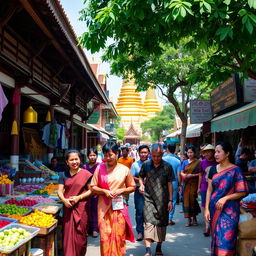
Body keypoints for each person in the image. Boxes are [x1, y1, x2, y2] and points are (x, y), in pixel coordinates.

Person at [91, 141, 136, 256]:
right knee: (105, 237)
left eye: (110, 155)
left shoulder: (124, 169)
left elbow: (132, 187)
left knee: (119, 236)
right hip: (103, 207)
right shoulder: (99, 168)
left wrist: (121, 190)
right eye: (105, 155)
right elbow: (92, 187)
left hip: (118, 207)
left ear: (117, 153)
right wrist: (104, 191)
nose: (107, 158)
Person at [205, 141, 248, 256]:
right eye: (215, 152)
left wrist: (226, 198)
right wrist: (206, 209)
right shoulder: (213, 170)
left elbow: (243, 191)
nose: (216, 155)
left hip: (229, 211)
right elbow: (209, 190)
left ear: (227, 153)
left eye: (219, 152)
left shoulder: (235, 170)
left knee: (227, 241)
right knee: (217, 238)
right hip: (214, 209)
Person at [139, 143, 175, 256]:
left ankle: (159, 247)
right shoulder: (146, 165)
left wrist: (170, 200)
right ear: (151, 154)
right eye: (154, 156)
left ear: (162, 154)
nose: (156, 158)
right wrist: (141, 185)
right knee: (148, 223)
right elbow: (141, 176)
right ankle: (148, 250)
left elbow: (170, 184)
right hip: (148, 199)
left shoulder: (167, 167)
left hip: (163, 200)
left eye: (158, 156)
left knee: (161, 224)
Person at [57, 150, 92, 256]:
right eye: (71, 160)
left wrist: (79, 197)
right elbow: (59, 191)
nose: (74, 162)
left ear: (80, 160)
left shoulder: (86, 174)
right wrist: (64, 200)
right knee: (68, 237)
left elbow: (91, 190)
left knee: (81, 239)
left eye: (76, 159)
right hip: (68, 208)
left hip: (81, 209)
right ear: (67, 162)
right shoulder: (63, 175)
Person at [130, 145, 150, 241]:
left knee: (150, 212)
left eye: (145, 152)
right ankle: (139, 232)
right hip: (139, 191)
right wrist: (141, 180)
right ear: (138, 153)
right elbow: (131, 177)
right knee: (139, 212)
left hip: (151, 191)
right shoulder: (135, 165)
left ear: (148, 153)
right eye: (141, 152)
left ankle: (148, 232)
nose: (143, 154)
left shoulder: (152, 164)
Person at [197, 144, 217, 236]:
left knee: (214, 205)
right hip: (205, 186)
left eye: (209, 151)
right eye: (205, 152)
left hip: (216, 186)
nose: (207, 153)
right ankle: (207, 226)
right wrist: (199, 187)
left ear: (213, 152)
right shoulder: (202, 163)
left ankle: (213, 224)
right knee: (205, 206)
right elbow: (201, 175)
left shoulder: (217, 162)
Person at [180, 145, 201, 227]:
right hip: (186, 184)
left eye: (191, 152)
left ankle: (195, 218)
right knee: (186, 201)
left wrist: (191, 175)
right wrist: (184, 175)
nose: (189, 154)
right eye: (188, 152)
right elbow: (181, 172)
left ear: (194, 153)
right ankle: (188, 219)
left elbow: (200, 174)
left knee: (193, 200)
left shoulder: (198, 162)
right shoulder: (184, 162)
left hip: (194, 184)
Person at [83, 148, 100, 238]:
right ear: (87, 156)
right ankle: (87, 229)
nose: (92, 157)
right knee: (86, 210)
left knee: (95, 210)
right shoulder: (84, 167)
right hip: (86, 192)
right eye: (90, 155)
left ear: (97, 156)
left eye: (94, 155)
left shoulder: (100, 166)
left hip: (96, 192)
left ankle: (95, 229)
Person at [163, 144, 181, 225]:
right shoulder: (177, 161)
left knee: (163, 200)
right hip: (174, 183)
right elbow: (178, 174)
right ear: (175, 150)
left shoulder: (162, 159)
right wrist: (180, 184)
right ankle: (169, 218)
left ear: (167, 149)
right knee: (172, 201)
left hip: (163, 183)